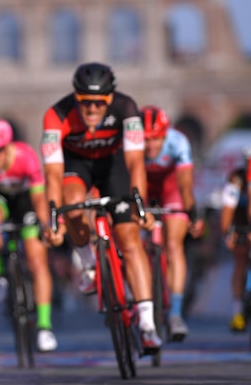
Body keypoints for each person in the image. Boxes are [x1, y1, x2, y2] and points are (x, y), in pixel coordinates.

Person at [38, 62, 162, 354]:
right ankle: (87, 262)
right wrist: (54, 218)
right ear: (75, 96)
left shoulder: (127, 107)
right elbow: (53, 174)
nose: (92, 109)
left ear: (110, 98)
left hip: (114, 164)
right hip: (75, 165)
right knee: (72, 203)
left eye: (98, 103)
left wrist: (140, 205)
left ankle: (147, 325)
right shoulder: (56, 115)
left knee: (130, 240)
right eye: (85, 103)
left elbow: (135, 163)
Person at [0, 118, 58, 352]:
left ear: (8, 147)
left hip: (26, 200)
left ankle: (44, 326)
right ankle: (0, 276)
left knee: (37, 260)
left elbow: (39, 197)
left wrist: (45, 224)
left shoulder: (25, 157)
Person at [141, 105, 204, 341]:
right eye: (146, 139)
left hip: (171, 189)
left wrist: (192, 213)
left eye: (156, 139)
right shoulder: (131, 143)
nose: (150, 146)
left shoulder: (178, 142)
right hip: (143, 189)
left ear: (166, 134)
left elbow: (185, 185)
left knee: (174, 246)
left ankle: (175, 314)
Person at [219, 143, 251, 332]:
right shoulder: (236, 178)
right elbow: (228, 209)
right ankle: (237, 310)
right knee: (240, 261)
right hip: (240, 218)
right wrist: (228, 232)